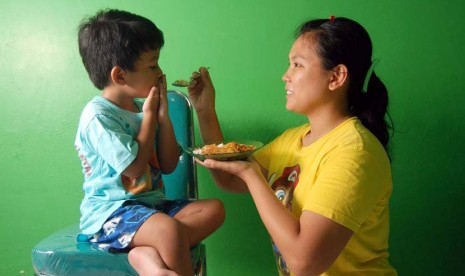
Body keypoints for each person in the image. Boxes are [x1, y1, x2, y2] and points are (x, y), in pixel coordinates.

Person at [188, 16, 397, 275]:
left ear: (336, 77)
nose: (285, 76)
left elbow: (304, 263)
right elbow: (230, 179)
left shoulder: (355, 152)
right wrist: (205, 111)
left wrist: (252, 176)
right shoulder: (293, 139)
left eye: (297, 65)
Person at [75, 9, 225, 276]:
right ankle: (159, 246)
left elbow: (167, 165)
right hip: (111, 215)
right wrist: (148, 119)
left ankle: (148, 254)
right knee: (168, 230)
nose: (160, 72)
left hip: (151, 207)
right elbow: (133, 169)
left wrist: (163, 118)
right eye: (152, 65)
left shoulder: (143, 108)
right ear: (119, 76)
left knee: (213, 209)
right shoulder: (98, 117)